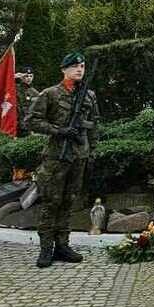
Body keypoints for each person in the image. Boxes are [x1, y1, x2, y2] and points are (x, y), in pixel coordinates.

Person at [24, 52, 99, 269]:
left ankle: (63, 245)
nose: (79, 70)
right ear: (64, 69)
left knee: (69, 200)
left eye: (82, 67)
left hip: (79, 155)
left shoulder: (89, 95)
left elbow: (94, 124)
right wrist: (59, 131)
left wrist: (91, 150)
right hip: (56, 156)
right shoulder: (50, 94)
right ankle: (46, 248)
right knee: (51, 202)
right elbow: (31, 121)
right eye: (75, 66)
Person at [14, 66, 40, 135]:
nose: (29, 78)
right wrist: (13, 76)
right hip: (14, 124)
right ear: (21, 77)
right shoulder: (14, 88)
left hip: (28, 126)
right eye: (26, 76)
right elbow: (1, 84)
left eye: (31, 76)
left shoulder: (35, 92)